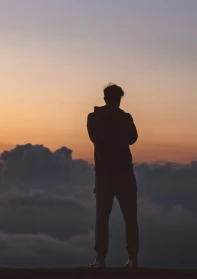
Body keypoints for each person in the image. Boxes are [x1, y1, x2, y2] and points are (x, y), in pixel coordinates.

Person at [87, 83, 139, 269]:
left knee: (102, 218)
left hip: (103, 175)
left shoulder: (94, 117)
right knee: (130, 218)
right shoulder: (124, 118)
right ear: (119, 98)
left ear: (105, 97)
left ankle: (100, 258)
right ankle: (132, 259)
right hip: (123, 173)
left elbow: (96, 138)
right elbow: (132, 138)